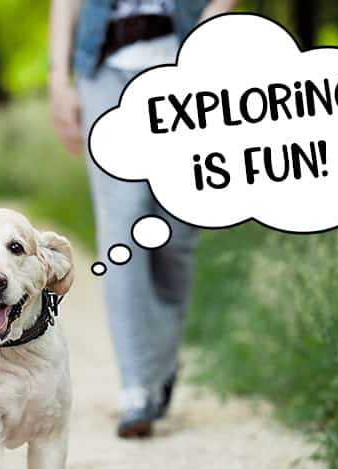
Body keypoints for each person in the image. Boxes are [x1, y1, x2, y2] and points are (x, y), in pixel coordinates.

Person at [49, 0, 235, 438]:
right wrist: (59, 78)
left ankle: (161, 361)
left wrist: (216, 17)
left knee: (176, 234)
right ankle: (136, 386)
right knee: (122, 230)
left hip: (186, 68)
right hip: (105, 71)